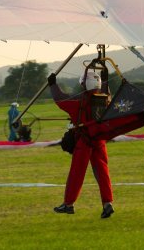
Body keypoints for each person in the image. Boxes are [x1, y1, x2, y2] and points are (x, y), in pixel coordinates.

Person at [47, 69, 114, 219]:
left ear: (85, 85)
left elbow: (60, 99)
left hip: (84, 141)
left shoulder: (79, 103)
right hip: (100, 140)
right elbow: (106, 91)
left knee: (77, 173)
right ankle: (107, 203)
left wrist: (52, 85)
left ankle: (68, 204)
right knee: (102, 172)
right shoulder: (106, 99)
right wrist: (105, 79)